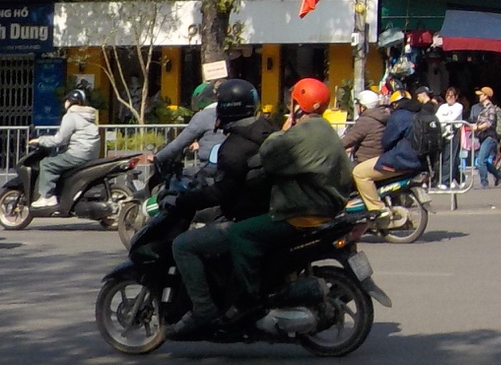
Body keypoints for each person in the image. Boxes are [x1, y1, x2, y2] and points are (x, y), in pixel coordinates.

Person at [216, 81, 354, 326]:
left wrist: (283, 129)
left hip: (302, 212)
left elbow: (269, 155)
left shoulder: (300, 133)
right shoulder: (325, 129)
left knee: (239, 234)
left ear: (298, 105)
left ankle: (249, 300)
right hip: (325, 207)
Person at [166, 79, 275, 335]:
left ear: (226, 110)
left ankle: (203, 308)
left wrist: (186, 200)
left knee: (183, 245)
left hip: (248, 217)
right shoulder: (266, 129)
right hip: (265, 209)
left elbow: (220, 192)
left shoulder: (233, 148)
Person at [31, 87, 102, 210]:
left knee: (47, 164)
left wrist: (40, 140)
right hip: (91, 154)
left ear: (70, 102)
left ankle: (48, 197)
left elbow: (59, 140)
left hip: (78, 154)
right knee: (60, 157)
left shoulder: (71, 116)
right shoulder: (88, 116)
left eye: (66, 101)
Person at [340, 87, 391, 214]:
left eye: (358, 105)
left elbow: (349, 139)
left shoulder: (366, 120)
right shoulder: (381, 117)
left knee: (340, 178)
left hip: (365, 160)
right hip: (376, 157)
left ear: (363, 106)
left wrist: (333, 146)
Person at [468, 86, 501, 186]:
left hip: (489, 137)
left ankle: (484, 182)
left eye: (481, 95)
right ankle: (499, 174)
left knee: (480, 161)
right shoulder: (483, 108)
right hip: (483, 137)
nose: (479, 97)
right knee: (482, 160)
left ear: (486, 96)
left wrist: (478, 128)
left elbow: (489, 123)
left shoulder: (491, 108)